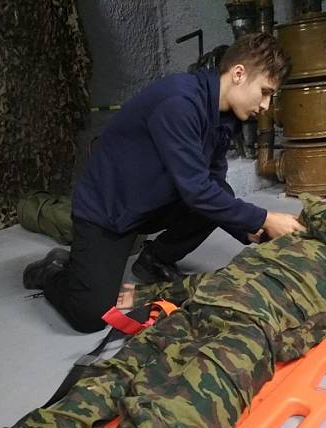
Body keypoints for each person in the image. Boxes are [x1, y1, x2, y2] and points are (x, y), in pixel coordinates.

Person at [0, 194, 326, 428]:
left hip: (227, 319)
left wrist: (147, 294)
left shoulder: (314, 256)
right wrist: (144, 295)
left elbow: (211, 281)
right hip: (236, 328)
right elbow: (213, 283)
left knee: (129, 396)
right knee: (152, 410)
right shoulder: (313, 268)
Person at [22, 32, 305, 334]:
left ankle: (154, 260)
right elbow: (196, 191)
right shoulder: (179, 102)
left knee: (219, 194)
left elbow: (212, 182)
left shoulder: (226, 117)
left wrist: (250, 229)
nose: (266, 105)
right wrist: (264, 218)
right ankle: (52, 271)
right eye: (264, 92)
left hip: (153, 200)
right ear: (238, 74)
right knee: (90, 316)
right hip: (109, 211)